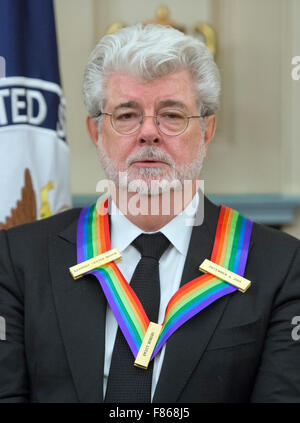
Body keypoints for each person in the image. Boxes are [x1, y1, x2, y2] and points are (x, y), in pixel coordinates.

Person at [0, 23, 300, 403]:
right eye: (126, 115)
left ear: (207, 130)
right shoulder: (18, 259)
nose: (148, 133)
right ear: (95, 131)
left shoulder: (281, 266)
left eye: (171, 115)